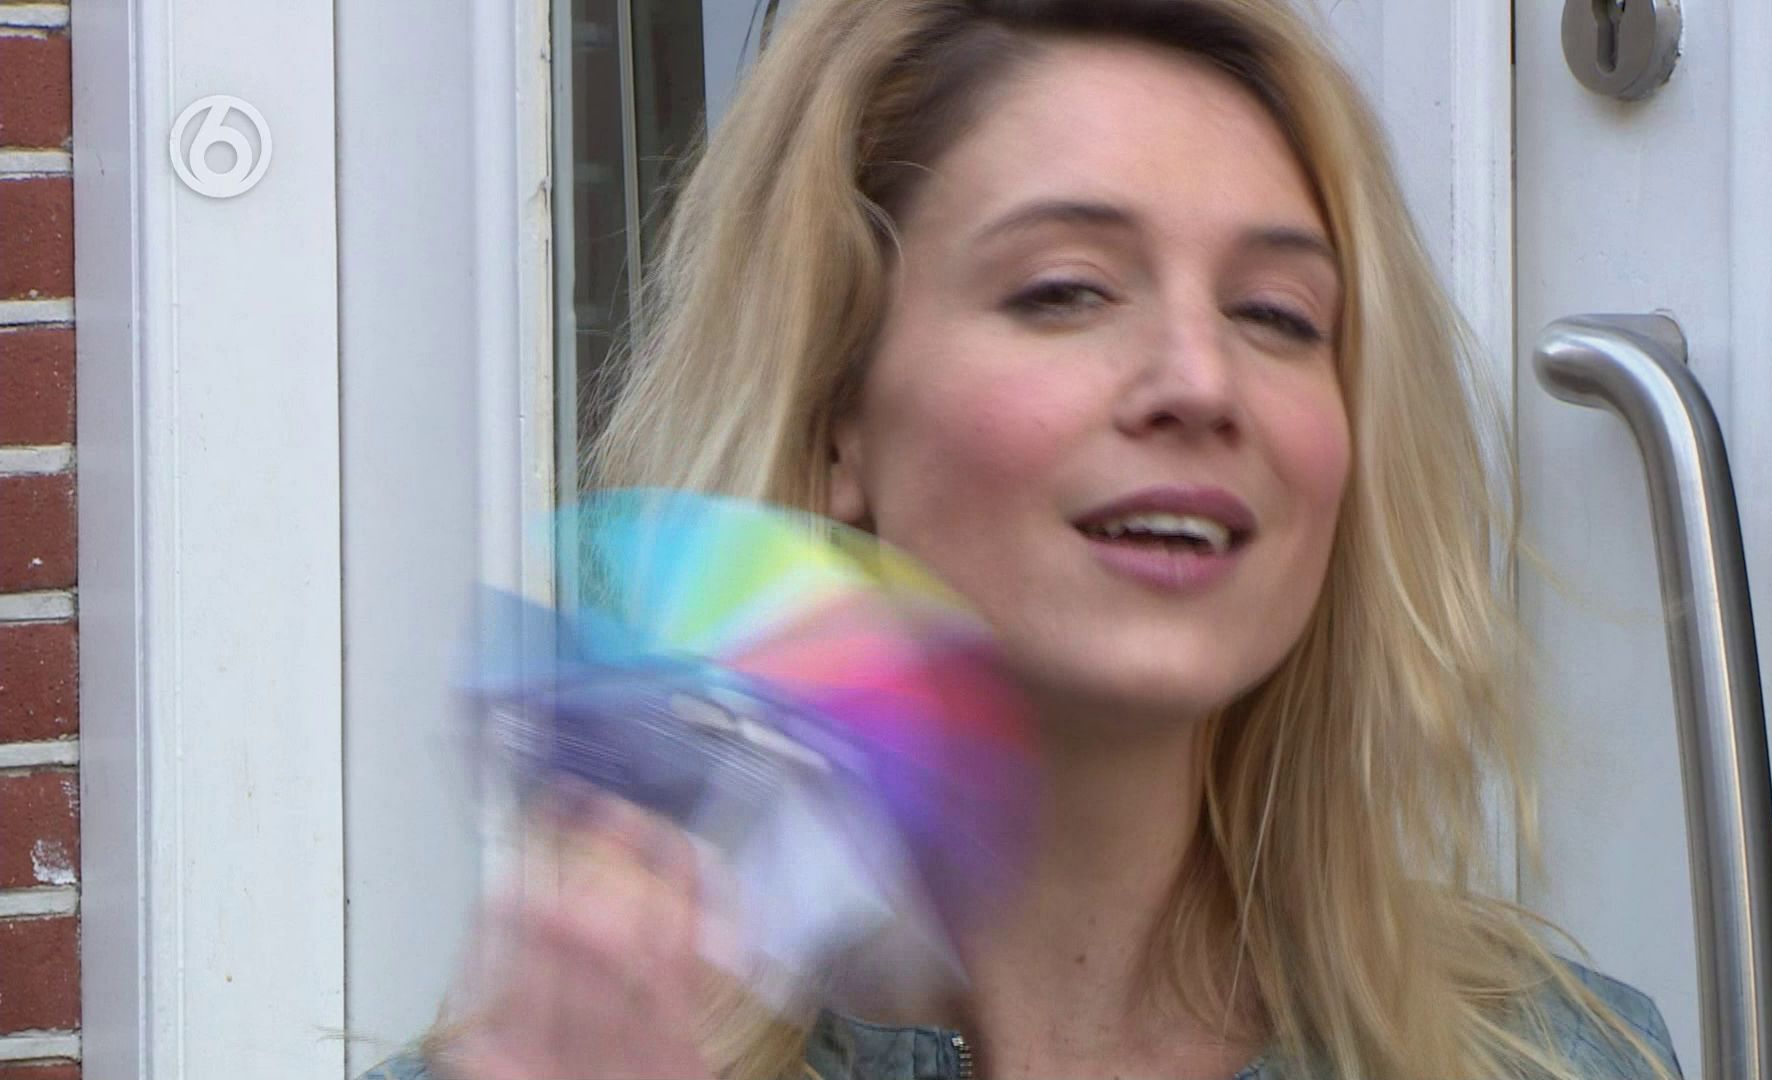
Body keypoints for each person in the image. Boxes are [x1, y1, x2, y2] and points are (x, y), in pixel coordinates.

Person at [367, 1, 1687, 1077]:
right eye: (1067, 292)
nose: (1201, 380)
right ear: (838, 419)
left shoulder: (1557, 1060)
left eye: (1278, 315)